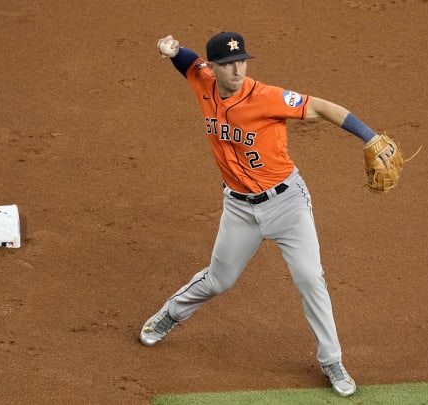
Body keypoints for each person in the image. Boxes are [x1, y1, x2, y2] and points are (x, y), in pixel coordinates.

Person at [140, 31, 395, 398]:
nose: (237, 69)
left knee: (311, 278)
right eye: (227, 64)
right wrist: (174, 51)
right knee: (218, 280)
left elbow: (322, 107)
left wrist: (369, 136)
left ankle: (332, 360)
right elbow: (189, 64)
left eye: (241, 60)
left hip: (287, 203)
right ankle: (170, 314)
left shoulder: (268, 97)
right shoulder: (204, 81)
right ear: (214, 68)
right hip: (239, 208)